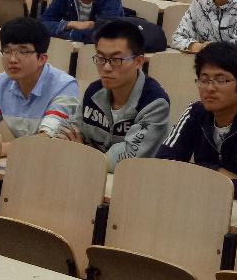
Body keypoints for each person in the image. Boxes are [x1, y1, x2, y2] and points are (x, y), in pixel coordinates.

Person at [157, 42, 237, 199]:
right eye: (204, 80)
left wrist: (197, 174)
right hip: (205, 200)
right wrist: (215, 171)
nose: (210, 88)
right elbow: (162, 165)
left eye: (221, 80)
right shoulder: (196, 112)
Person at [60, 20, 170, 172]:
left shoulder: (155, 103)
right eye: (101, 58)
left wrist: (82, 156)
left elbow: (129, 157)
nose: (106, 67)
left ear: (138, 62)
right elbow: (68, 134)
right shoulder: (93, 92)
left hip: (133, 181)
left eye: (116, 60)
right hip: (88, 175)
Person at [0, 17, 79, 155]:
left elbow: (48, 138)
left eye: (23, 52)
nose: (12, 59)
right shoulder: (2, 81)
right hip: (23, 157)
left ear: (42, 59)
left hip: (57, 158)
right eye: (7, 51)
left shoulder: (65, 85)